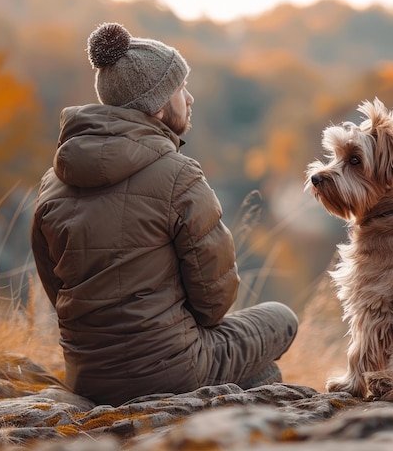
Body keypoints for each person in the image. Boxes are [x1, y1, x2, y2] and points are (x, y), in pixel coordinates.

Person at [30, 22, 298, 406]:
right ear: (156, 105)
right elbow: (213, 302)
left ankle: (238, 406)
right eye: (180, 89)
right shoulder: (179, 175)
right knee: (281, 318)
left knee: (259, 374)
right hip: (174, 371)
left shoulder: (52, 182)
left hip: (86, 377)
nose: (189, 99)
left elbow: (56, 290)